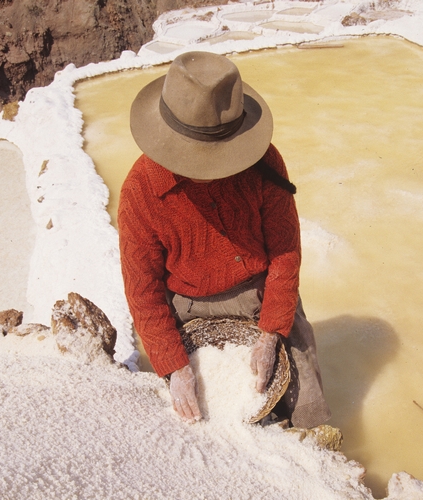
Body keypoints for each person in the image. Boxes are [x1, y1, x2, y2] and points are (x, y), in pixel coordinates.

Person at [118, 51, 331, 428]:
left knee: (308, 410)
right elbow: (143, 289)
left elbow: (285, 253)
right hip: (188, 306)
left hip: (262, 292)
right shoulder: (141, 190)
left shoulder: (264, 164)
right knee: (202, 422)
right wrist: (174, 365)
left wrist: (271, 335)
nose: (210, 170)